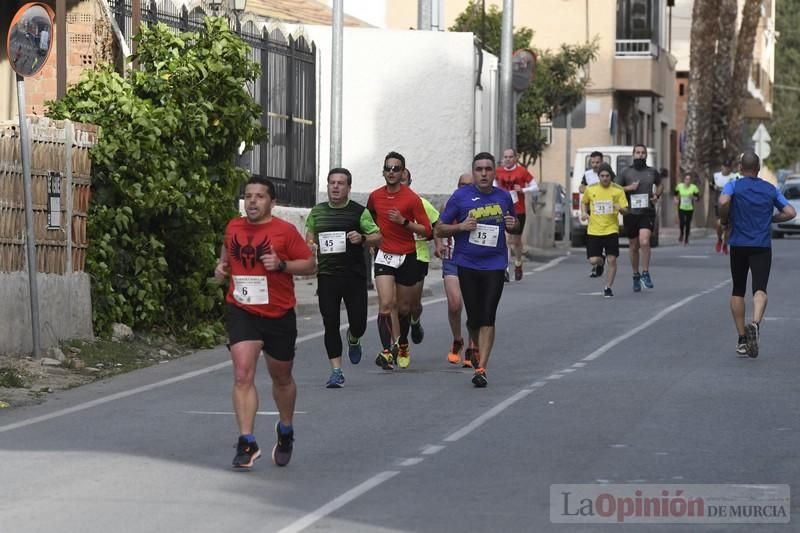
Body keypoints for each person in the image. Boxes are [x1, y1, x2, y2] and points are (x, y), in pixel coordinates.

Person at [215, 176, 316, 469]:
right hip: (243, 309)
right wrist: (221, 266)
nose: (253, 201)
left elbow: (310, 265)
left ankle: (285, 429)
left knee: (281, 378)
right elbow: (227, 252)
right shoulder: (234, 226)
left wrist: (282, 265)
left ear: (272, 202)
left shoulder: (285, 232)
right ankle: (246, 442)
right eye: (248, 196)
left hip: (278, 314)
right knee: (242, 373)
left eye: (259, 196)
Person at [437, 152, 521, 387]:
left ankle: (482, 367)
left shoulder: (504, 197)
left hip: (495, 264)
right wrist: (462, 226)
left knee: (488, 315)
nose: (483, 173)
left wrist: (514, 226)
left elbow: (514, 224)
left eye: (488, 169)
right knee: (473, 318)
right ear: (473, 172)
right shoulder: (460, 197)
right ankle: (474, 345)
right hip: (467, 263)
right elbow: (440, 229)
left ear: (494, 172)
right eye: (479, 169)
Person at [305, 168, 382, 388]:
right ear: (327, 186)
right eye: (332, 183)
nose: (336, 187)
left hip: (354, 276)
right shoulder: (318, 212)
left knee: (358, 323)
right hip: (328, 276)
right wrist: (310, 246)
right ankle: (336, 371)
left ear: (349, 188)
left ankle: (354, 337)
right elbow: (310, 234)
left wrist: (363, 237)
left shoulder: (359, 212)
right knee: (330, 324)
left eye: (340, 183)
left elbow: (379, 237)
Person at [718, 151, 796, 358]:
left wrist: (725, 219)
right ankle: (756, 323)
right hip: (761, 245)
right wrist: (770, 219)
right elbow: (790, 212)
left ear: (741, 168)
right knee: (760, 288)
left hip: (738, 244)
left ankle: (742, 339)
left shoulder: (733, 185)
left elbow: (723, 202)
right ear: (758, 168)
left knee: (738, 290)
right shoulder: (770, 189)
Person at [367, 152, 432, 370]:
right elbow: (369, 219)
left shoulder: (412, 198)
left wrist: (404, 222)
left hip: (407, 255)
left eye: (396, 169)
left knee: (404, 308)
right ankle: (387, 351)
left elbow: (427, 230)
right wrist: (371, 238)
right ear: (383, 171)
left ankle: (402, 342)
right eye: (388, 168)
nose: (392, 172)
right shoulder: (375, 196)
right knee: (386, 304)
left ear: (403, 172)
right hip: (384, 253)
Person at [398, 168, 440, 355]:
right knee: (398, 305)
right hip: (393, 256)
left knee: (413, 305)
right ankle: (400, 344)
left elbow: (437, 225)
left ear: (410, 182)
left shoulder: (420, 203)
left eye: (404, 179)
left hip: (417, 256)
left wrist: (436, 243)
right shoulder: (386, 203)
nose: (400, 183)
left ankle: (415, 322)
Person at [615, 144, 662, 292]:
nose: (640, 155)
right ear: (633, 154)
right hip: (630, 213)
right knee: (634, 246)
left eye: (643, 153)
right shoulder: (625, 172)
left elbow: (660, 185)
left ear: (646, 155)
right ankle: (635, 275)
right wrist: (629, 188)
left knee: (645, 241)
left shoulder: (652, 172)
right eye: (638, 152)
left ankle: (645, 273)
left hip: (647, 211)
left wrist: (656, 195)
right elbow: (614, 189)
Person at [439, 173, 475, 367]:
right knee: (455, 304)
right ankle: (457, 339)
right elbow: (438, 226)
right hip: (452, 259)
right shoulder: (449, 204)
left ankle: (471, 347)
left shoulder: (482, 206)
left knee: (473, 307)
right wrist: (438, 244)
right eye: (461, 184)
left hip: (475, 261)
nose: (464, 188)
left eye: (468, 185)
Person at [580, 163, 629, 298]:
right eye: (602, 176)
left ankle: (608, 287)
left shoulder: (618, 190)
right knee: (593, 260)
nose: (605, 178)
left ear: (610, 176)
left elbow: (626, 211)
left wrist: (621, 208)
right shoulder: (591, 189)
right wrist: (584, 213)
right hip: (594, 230)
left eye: (607, 176)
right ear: (598, 176)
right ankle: (600, 262)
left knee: (612, 260)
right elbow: (584, 202)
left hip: (611, 230)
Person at [494, 148, 538, 282]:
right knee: (505, 240)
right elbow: (494, 185)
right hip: (502, 210)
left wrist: (523, 189)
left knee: (516, 241)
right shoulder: (498, 171)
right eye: (505, 157)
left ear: (515, 158)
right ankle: (505, 269)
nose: (507, 159)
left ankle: (518, 263)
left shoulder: (522, 171)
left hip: (518, 211)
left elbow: (535, 187)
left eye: (510, 157)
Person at [712, 159, 738, 254]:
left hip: (731, 204)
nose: (726, 169)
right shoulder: (716, 176)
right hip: (718, 204)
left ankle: (725, 243)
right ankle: (719, 239)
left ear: (731, 168)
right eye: (725, 167)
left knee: (728, 227)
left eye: (728, 167)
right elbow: (712, 187)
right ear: (722, 167)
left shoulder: (735, 177)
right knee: (719, 224)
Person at [674, 172, 700, 245]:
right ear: (684, 180)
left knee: (688, 223)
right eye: (686, 179)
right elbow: (675, 194)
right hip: (681, 207)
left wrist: (693, 197)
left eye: (689, 179)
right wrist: (676, 200)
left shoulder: (694, 187)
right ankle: (681, 234)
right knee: (682, 222)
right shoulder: (679, 186)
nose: (687, 181)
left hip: (690, 208)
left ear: (690, 181)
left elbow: (698, 199)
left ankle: (686, 238)